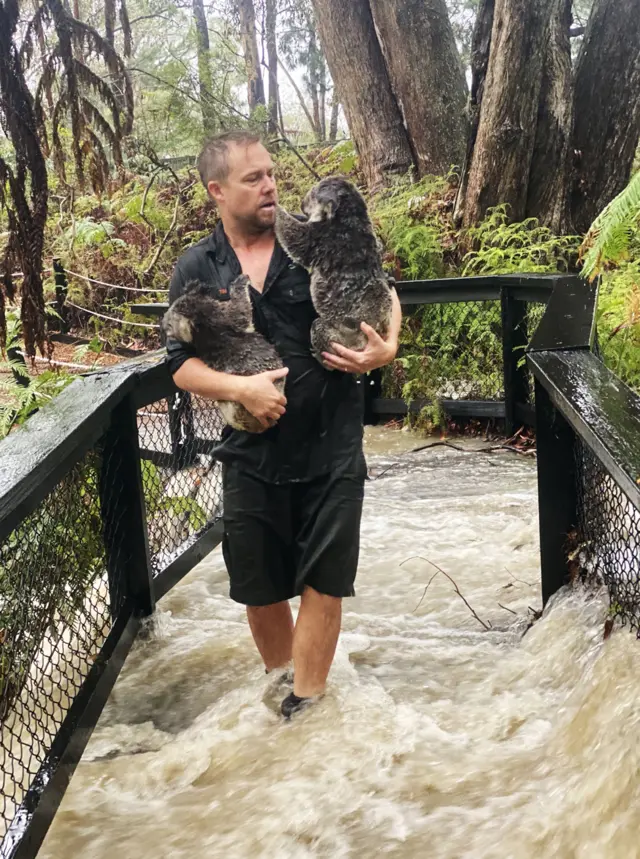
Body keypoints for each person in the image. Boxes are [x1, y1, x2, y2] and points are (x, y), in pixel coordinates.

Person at [166, 130, 402, 719]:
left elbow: (382, 287)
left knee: (326, 578)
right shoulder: (198, 265)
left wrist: (387, 346)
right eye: (254, 179)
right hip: (250, 450)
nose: (270, 186)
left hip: (332, 440)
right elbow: (180, 366)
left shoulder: (312, 238)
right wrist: (239, 388)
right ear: (216, 191)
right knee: (260, 586)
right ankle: (283, 690)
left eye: (271, 174)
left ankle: (307, 706)